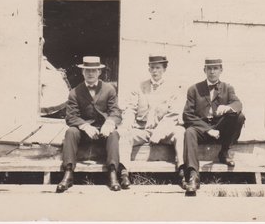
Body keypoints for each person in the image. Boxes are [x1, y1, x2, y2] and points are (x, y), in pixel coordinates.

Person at [56, 56, 129, 193]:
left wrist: (109, 122)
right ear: (82, 72)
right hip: (84, 132)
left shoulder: (109, 89)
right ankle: (68, 173)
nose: (90, 74)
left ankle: (112, 173)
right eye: (87, 71)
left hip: (104, 131)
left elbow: (116, 112)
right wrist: (84, 126)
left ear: (99, 72)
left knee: (114, 134)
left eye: (94, 71)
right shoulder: (74, 92)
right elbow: (71, 116)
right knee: (70, 132)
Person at [119, 56, 186, 188]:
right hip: (142, 129)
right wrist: (126, 125)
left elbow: (173, 113)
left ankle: (182, 170)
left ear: (164, 69)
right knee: (124, 135)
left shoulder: (173, 88)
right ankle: (124, 173)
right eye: (152, 67)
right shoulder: (139, 86)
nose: (155, 71)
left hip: (163, 130)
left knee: (180, 132)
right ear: (148, 68)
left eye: (158, 68)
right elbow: (131, 109)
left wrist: (159, 131)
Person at [182, 58, 245, 193]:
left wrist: (228, 107)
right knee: (189, 132)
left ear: (221, 70)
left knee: (239, 116)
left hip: (220, 129)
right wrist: (208, 130)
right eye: (209, 68)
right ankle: (193, 175)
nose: (212, 72)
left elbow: (238, 105)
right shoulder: (194, 89)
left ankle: (224, 151)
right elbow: (187, 115)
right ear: (204, 70)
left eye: (215, 68)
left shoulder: (228, 88)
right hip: (202, 128)